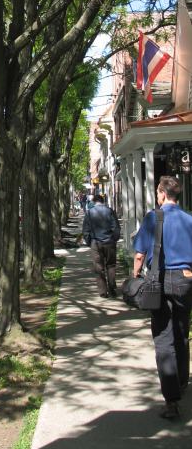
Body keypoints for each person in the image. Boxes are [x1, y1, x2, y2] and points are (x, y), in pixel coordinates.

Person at [132, 175, 192, 420]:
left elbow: (139, 254)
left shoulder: (153, 217)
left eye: (158, 193)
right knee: (181, 331)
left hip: (160, 279)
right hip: (186, 280)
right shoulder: (189, 219)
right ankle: (182, 381)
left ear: (163, 194)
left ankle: (171, 401)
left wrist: (135, 275)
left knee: (163, 339)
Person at [83, 193, 121, 298]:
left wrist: (89, 242)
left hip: (95, 243)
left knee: (98, 268)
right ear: (103, 201)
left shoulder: (89, 213)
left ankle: (103, 291)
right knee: (111, 265)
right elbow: (116, 227)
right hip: (109, 242)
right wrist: (114, 239)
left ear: (94, 202)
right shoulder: (110, 211)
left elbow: (85, 230)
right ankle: (112, 288)